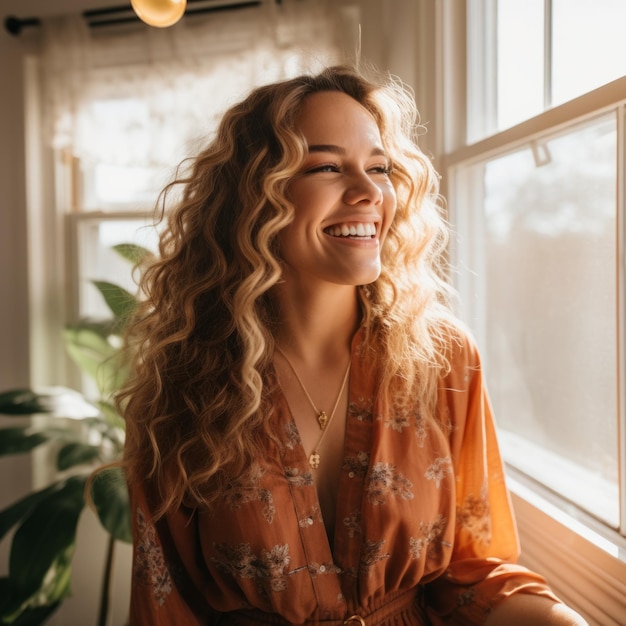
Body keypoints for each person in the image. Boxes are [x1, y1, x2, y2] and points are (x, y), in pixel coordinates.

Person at [121, 65, 588, 625]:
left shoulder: (441, 357)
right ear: (254, 197)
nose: (370, 193)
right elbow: (164, 599)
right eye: (325, 166)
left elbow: (469, 573)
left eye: (380, 167)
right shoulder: (183, 380)